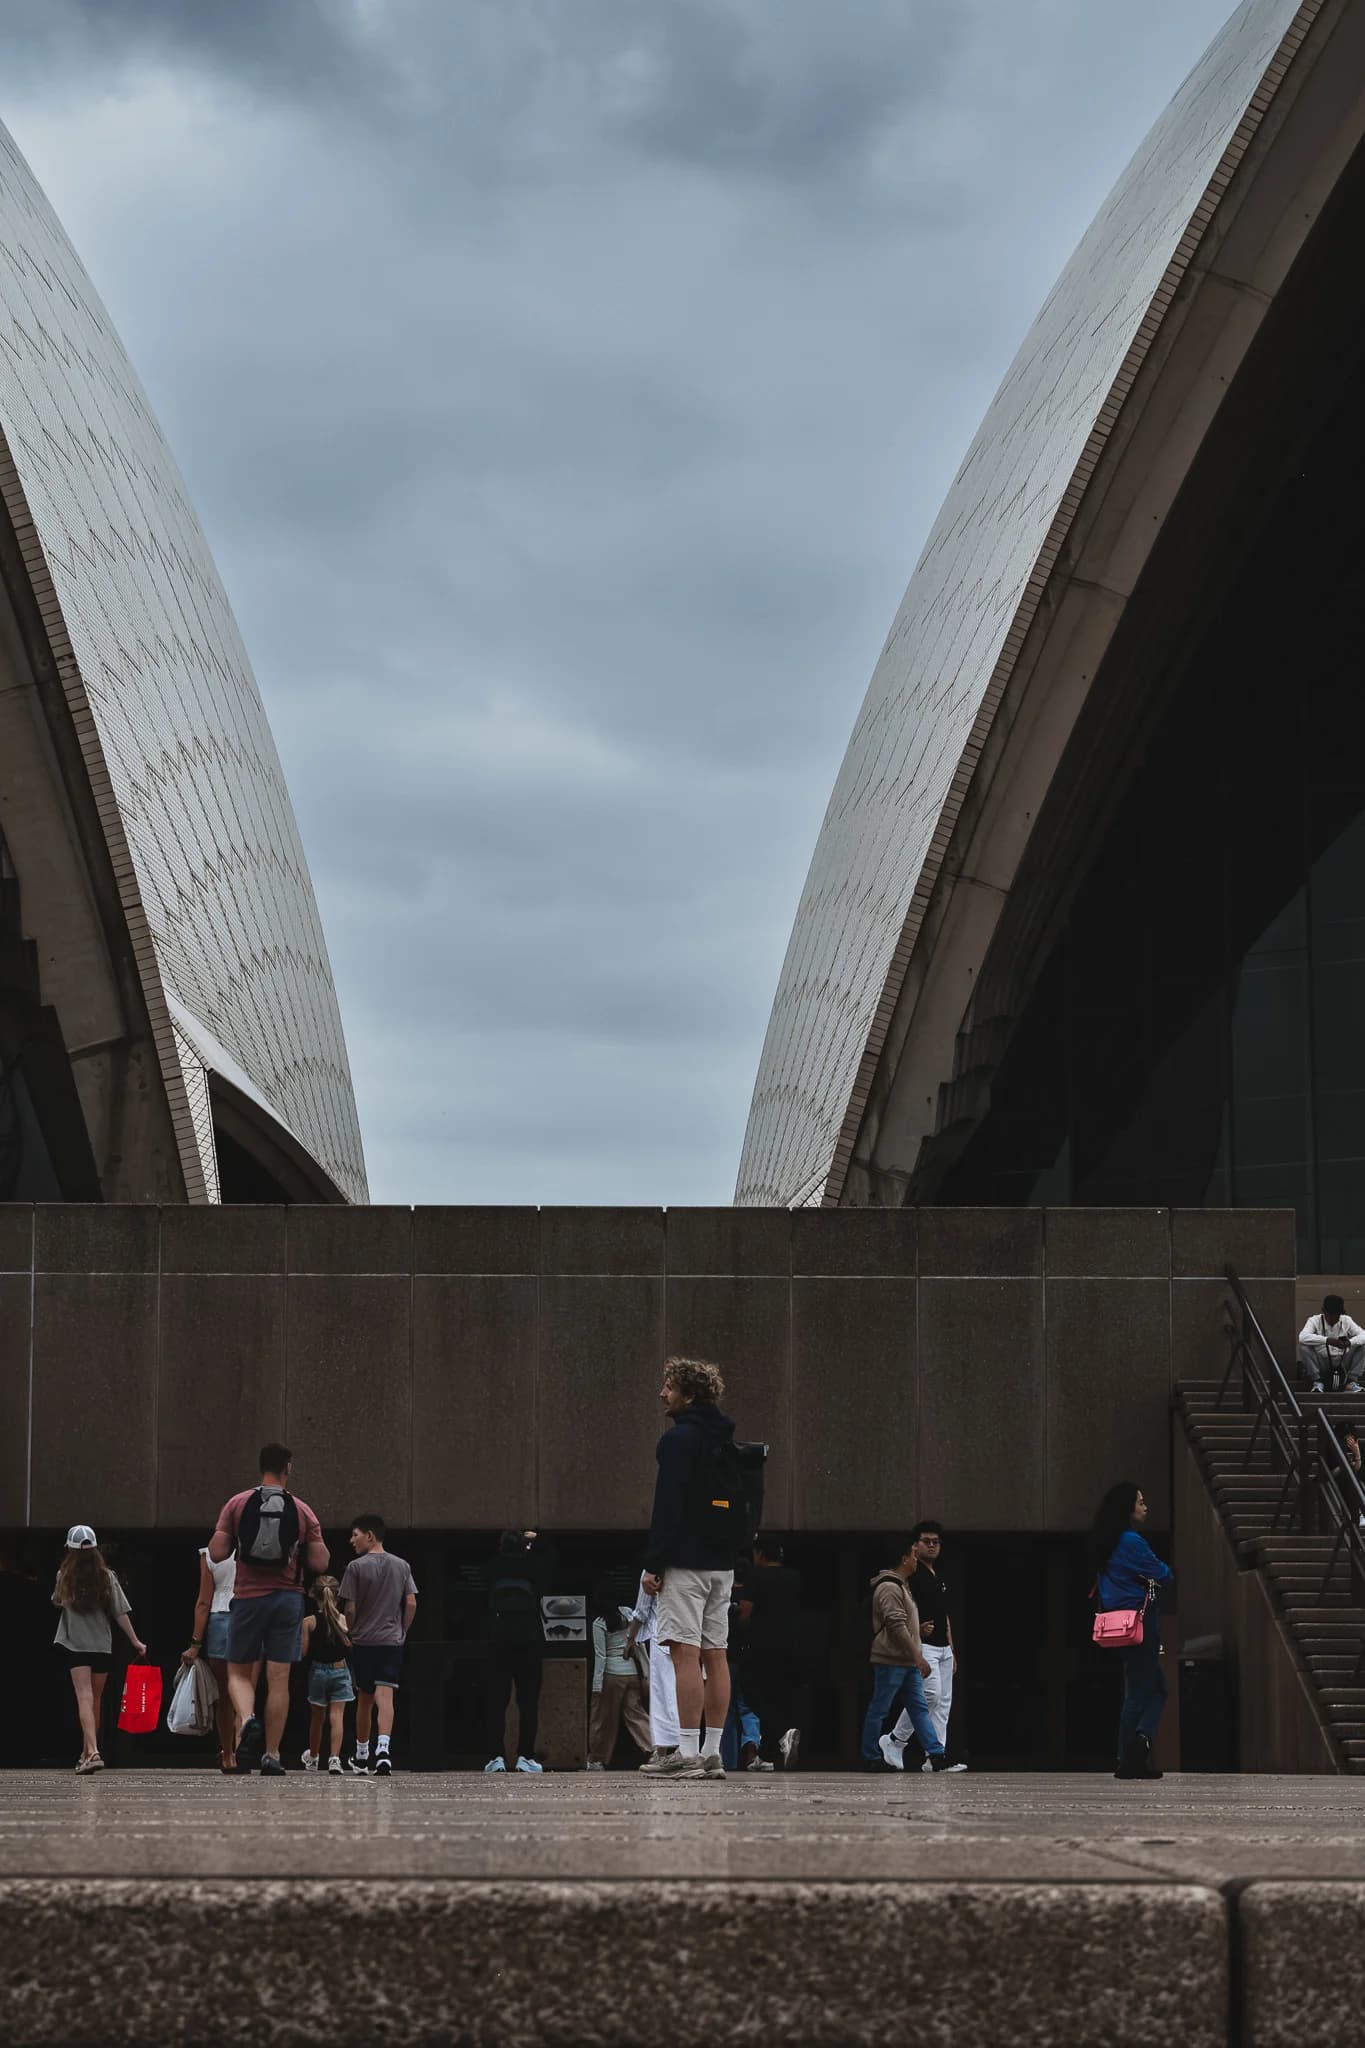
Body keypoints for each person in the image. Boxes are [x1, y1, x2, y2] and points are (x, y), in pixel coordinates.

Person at [638, 1355, 744, 1781]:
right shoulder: (727, 1440)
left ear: (688, 1393)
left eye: (668, 1385)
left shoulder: (679, 1440)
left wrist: (653, 1563)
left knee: (685, 1656)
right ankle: (714, 1752)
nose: (662, 1392)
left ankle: (687, 1753)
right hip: (723, 1565)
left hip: (685, 1564)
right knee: (716, 1655)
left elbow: (668, 1506)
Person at [208, 1442, 328, 1776]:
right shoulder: (302, 1510)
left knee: (237, 1671)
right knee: (280, 1679)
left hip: (248, 1598)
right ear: (288, 1468)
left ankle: (247, 1720)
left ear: (261, 1467)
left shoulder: (237, 1503)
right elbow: (320, 1561)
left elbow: (216, 1553)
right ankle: (272, 1755)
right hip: (288, 1599)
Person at [1092, 1480, 1174, 1780]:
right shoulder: (1131, 1541)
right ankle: (1132, 1754)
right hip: (1141, 1622)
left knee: (1150, 1688)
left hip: (1122, 1622)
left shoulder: (1109, 1540)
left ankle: (1134, 1752)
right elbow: (1164, 1573)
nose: (1145, 1507)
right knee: (1143, 1692)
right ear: (1128, 1508)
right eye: (1140, 1502)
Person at [52, 1525, 146, 1774]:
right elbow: (120, 1612)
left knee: (83, 1697)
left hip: (75, 1644)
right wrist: (135, 1640)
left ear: (70, 1550)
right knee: (96, 1700)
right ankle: (85, 1754)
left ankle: (93, 1752)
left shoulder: (64, 1575)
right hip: (102, 1646)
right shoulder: (107, 1576)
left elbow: (57, 1600)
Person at [883, 1520, 966, 1771]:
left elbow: (945, 1614)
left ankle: (935, 1758)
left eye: (936, 1542)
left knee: (943, 1704)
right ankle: (895, 1740)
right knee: (929, 1696)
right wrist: (915, 1632)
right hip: (924, 1646)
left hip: (943, 1648)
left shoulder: (937, 1576)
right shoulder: (912, 1575)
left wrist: (951, 1647)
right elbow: (900, 1607)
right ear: (915, 1545)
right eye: (926, 1541)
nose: (932, 1546)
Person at [338, 1514, 417, 1777]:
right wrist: (402, 1631)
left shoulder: (355, 1567)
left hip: (363, 1641)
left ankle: (362, 1755)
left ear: (370, 1536)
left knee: (364, 1698)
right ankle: (383, 1750)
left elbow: (350, 1607)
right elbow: (411, 1603)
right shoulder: (402, 1565)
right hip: (391, 1640)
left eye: (355, 1534)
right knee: (387, 1696)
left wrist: (351, 1629)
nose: (352, 1540)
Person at [861, 1540, 950, 1773]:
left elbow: (902, 1624)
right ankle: (871, 1755)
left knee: (918, 1706)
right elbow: (895, 1624)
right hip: (891, 1659)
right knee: (880, 1708)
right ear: (903, 1559)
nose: (915, 1559)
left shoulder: (902, 1585)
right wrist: (918, 1655)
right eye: (912, 1554)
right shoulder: (889, 1587)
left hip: (905, 1660)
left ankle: (936, 1753)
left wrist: (916, 1638)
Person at [483, 1529, 548, 1775]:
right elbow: (551, 1562)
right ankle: (525, 1756)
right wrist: (536, 1541)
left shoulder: (493, 1566)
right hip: (529, 1640)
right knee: (528, 1702)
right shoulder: (533, 1566)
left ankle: (495, 1757)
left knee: (497, 1703)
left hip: (498, 1640)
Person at [737, 1534, 802, 1770]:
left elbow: (745, 1612)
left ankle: (781, 1734)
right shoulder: (794, 1578)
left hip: (760, 1645)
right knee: (780, 1695)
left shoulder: (756, 1576)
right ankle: (765, 1755)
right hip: (791, 1644)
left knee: (752, 1694)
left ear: (760, 1554)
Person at [180, 1542, 241, 1773]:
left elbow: (204, 1602)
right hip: (249, 1617)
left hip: (219, 1619)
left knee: (224, 1693)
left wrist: (195, 1643)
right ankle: (242, 1748)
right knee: (247, 1688)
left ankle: (228, 1754)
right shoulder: (254, 1551)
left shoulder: (208, 1555)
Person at [587, 1583, 651, 1770]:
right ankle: (654, 1749)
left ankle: (597, 1759)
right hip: (632, 1672)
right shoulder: (628, 1614)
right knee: (636, 1714)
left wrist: (597, 1685)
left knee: (604, 1719)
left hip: (612, 1675)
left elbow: (601, 1656)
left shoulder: (599, 1623)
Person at [300, 1575, 353, 1777]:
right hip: (340, 1670)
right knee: (337, 1716)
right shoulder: (344, 1620)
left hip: (318, 1671)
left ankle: (313, 1757)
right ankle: (334, 1759)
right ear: (338, 1596)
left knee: (317, 1717)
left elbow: (303, 1652)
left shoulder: (309, 1622)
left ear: (313, 1595)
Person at [624, 1571, 679, 1766]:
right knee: (681, 1691)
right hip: (687, 1634)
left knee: (662, 1694)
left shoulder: (653, 1571)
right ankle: (687, 1746)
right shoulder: (689, 1567)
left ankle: (662, 1749)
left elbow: (641, 1610)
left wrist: (630, 1639)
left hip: (661, 1633)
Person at [1298, 1295, 1365, 1393]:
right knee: (1303, 1347)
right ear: (1323, 1311)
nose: (1334, 1318)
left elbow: (1363, 1335)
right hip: (1322, 1362)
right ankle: (1317, 1381)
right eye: (1330, 1315)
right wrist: (1328, 1340)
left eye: (1337, 1315)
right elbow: (1302, 1337)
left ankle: (1351, 1382)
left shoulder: (1346, 1320)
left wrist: (1349, 1342)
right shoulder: (1314, 1320)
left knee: (1363, 1346)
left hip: (1343, 1361)